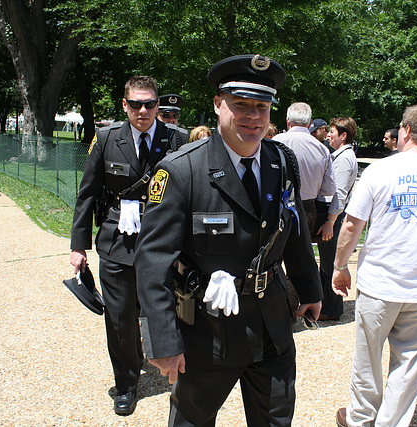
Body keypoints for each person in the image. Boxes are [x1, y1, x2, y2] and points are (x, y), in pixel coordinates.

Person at [134, 54, 323, 426]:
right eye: (241, 105)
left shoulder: (281, 161)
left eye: (262, 106)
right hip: (208, 331)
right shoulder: (181, 170)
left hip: (272, 326)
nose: (253, 115)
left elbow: (294, 231)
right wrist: (163, 340)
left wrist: (311, 288)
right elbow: (152, 260)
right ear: (218, 104)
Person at [332, 105, 417, 427]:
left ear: (406, 130)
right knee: (409, 363)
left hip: (380, 283)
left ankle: (360, 419)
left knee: (367, 359)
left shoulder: (380, 171)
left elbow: (353, 226)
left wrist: (340, 265)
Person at [69, 76, 182, 416]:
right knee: (119, 318)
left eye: (149, 104)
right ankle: (126, 384)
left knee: (163, 307)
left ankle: (175, 366)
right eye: (135, 104)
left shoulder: (175, 138)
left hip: (162, 239)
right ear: (124, 105)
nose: (142, 111)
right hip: (116, 240)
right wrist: (79, 246)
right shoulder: (106, 139)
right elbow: (87, 193)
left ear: (158, 105)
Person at [317, 117, 358, 321]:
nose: (329, 135)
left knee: (329, 264)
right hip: (335, 217)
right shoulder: (342, 156)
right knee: (327, 261)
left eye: (332, 131)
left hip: (335, 218)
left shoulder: (344, 159)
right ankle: (327, 305)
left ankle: (331, 310)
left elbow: (339, 195)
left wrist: (330, 222)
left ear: (343, 135)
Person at [273, 102, 335, 239]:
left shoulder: (276, 143)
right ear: (310, 123)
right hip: (307, 208)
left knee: (275, 255)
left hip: (277, 207)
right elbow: (329, 189)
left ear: (288, 121)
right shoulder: (322, 149)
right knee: (301, 256)